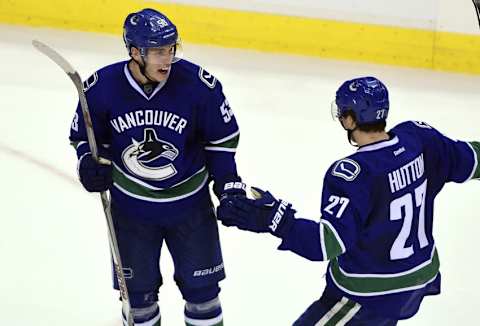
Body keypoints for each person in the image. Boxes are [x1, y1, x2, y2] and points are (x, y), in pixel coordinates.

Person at [218, 76, 480, 325]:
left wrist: (273, 219)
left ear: (350, 120)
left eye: (343, 112)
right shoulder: (419, 139)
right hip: (418, 274)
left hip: (369, 290)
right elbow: (472, 159)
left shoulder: (353, 174)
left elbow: (326, 243)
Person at [69, 8, 246, 326]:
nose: (167, 59)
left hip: (190, 209)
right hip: (131, 211)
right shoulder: (101, 88)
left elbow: (220, 143)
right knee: (138, 302)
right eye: (158, 51)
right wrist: (88, 163)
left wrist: (229, 185)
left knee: (203, 295)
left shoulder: (198, 86)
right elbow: (86, 137)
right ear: (135, 52)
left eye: (170, 49)